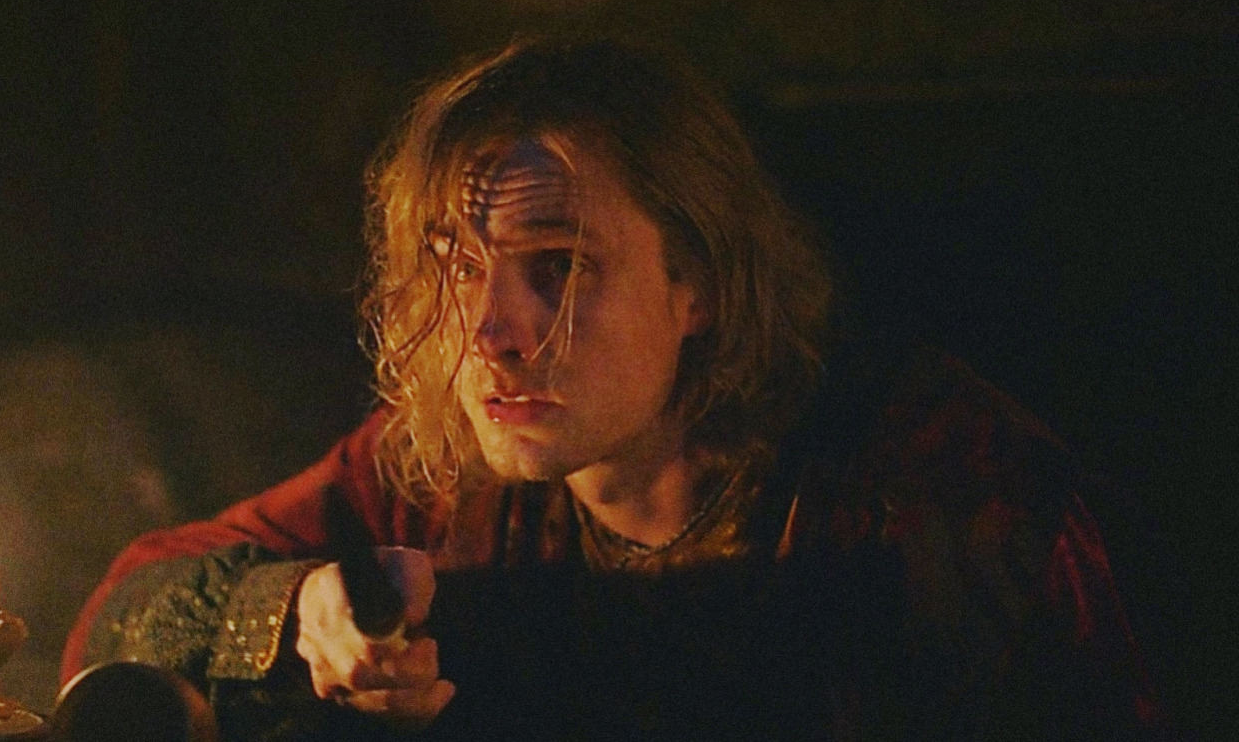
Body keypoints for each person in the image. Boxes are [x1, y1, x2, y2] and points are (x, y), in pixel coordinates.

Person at [62, 38, 1163, 740]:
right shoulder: (438, 472)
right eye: (455, 269)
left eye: (560, 266)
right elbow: (118, 617)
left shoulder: (930, 478)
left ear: (697, 284)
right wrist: (299, 607)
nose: (490, 333)